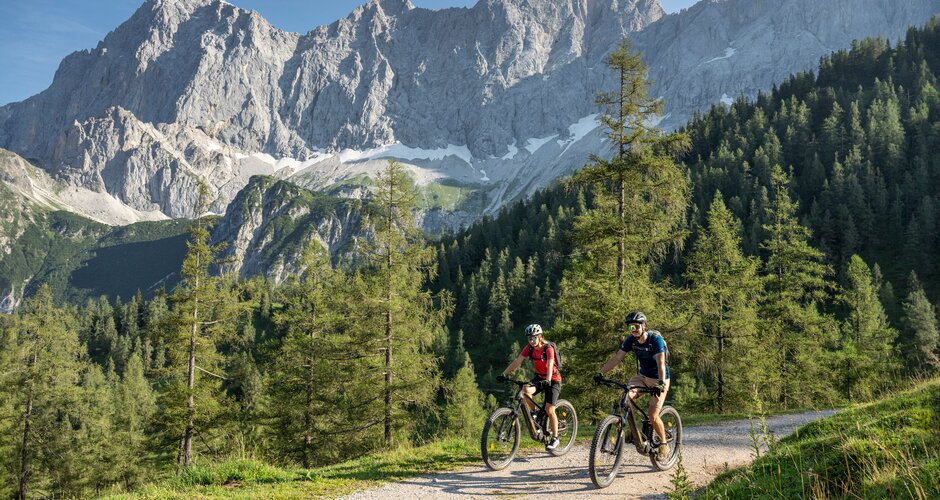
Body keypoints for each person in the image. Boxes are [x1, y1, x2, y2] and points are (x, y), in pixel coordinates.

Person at [594, 311, 671, 460]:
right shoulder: (631, 340)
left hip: (660, 379)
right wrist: (601, 373)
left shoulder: (656, 340)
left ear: (644, 326)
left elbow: (661, 364)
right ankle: (636, 432)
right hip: (642, 377)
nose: (634, 329)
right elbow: (617, 358)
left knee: (653, 415)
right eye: (631, 327)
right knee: (625, 398)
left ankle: (663, 444)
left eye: (636, 326)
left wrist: (661, 384)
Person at [500, 324, 562, 450]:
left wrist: (548, 380)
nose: (531, 341)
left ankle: (555, 438)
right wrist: (504, 374)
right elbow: (517, 361)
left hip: (553, 380)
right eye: (529, 338)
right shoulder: (529, 348)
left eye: (533, 338)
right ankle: (534, 413)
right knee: (525, 390)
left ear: (540, 336)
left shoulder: (548, 348)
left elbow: (550, 365)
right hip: (539, 377)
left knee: (550, 410)